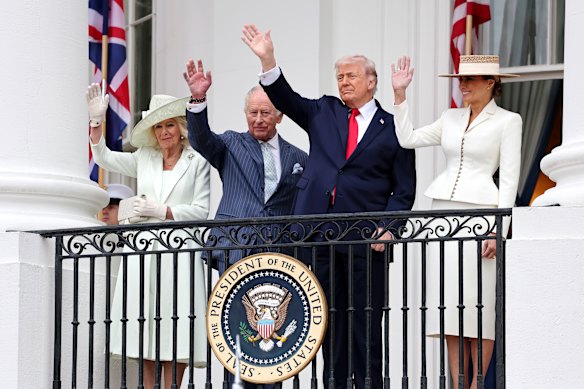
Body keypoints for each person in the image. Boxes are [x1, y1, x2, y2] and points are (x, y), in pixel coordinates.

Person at [242, 25, 416, 389]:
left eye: (351, 76)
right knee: (328, 322)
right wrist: (267, 59)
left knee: (366, 324)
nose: (344, 82)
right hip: (320, 236)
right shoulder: (324, 111)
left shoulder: (393, 127)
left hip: (367, 241)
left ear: (372, 82)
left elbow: (403, 190)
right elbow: (286, 98)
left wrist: (390, 227)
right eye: (339, 77)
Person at [391, 55, 522, 389]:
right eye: (460, 79)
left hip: (481, 218)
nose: (462, 85)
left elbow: (508, 179)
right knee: (449, 308)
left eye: (470, 79)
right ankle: (456, 385)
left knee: (479, 309)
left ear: (490, 83)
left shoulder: (508, 121)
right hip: (443, 217)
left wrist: (499, 228)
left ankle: (478, 385)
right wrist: (400, 95)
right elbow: (409, 139)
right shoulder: (450, 117)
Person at [183, 58, 308, 388]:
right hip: (235, 252)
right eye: (253, 112)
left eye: (265, 112)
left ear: (279, 115)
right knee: (236, 329)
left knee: (275, 336)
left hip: (278, 258)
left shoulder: (298, 157)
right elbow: (200, 140)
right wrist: (198, 101)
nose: (258, 119)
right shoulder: (231, 144)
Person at [86, 83, 211, 389]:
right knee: (145, 328)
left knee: (177, 326)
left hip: (180, 255)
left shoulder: (198, 161)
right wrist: (95, 123)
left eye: (170, 124)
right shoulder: (144, 157)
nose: (165, 132)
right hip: (143, 253)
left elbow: (201, 210)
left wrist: (161, 210)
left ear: (181, 127)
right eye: (159, 127)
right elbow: (103, 157)